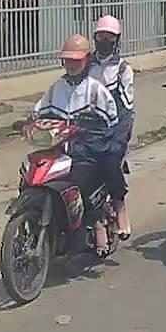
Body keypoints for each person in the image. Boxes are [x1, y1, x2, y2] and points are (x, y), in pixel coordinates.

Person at [30, 34, 122, 257]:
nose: (71, 64)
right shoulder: (56, 88)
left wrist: (92, 129)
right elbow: (39, 111)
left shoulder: (95, 90)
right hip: (58, 151)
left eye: (76, 60)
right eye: (68, 60)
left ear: (87, 60)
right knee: (30, 173)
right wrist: (28, 123)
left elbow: (111, 120)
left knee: (80, 184)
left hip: (86, 152)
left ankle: (96, 223)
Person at [88, 15, 134, 241]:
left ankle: (119, 206)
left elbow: (126, 108)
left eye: (109, 37)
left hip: (114, 127)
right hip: (86, 126)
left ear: (117, 40)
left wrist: (118, 138)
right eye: (100, 36)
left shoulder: (123, 69)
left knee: (110, 160)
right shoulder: (85, 64)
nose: (104, 41)